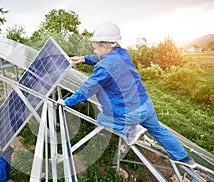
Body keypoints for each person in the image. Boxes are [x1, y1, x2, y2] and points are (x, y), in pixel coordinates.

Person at [57, 22, 196, 168]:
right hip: (146, 105)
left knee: (102, 118)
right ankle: (185, 158)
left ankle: (131, 129)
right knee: (159, 131)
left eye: (95, 48)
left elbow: (87, 89)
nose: (94, 50)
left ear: (104, 46)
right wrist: (84, 59)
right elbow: (102, 58)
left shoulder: (103, 69)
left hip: (130, 113)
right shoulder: (122, 53)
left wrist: (67, 102)